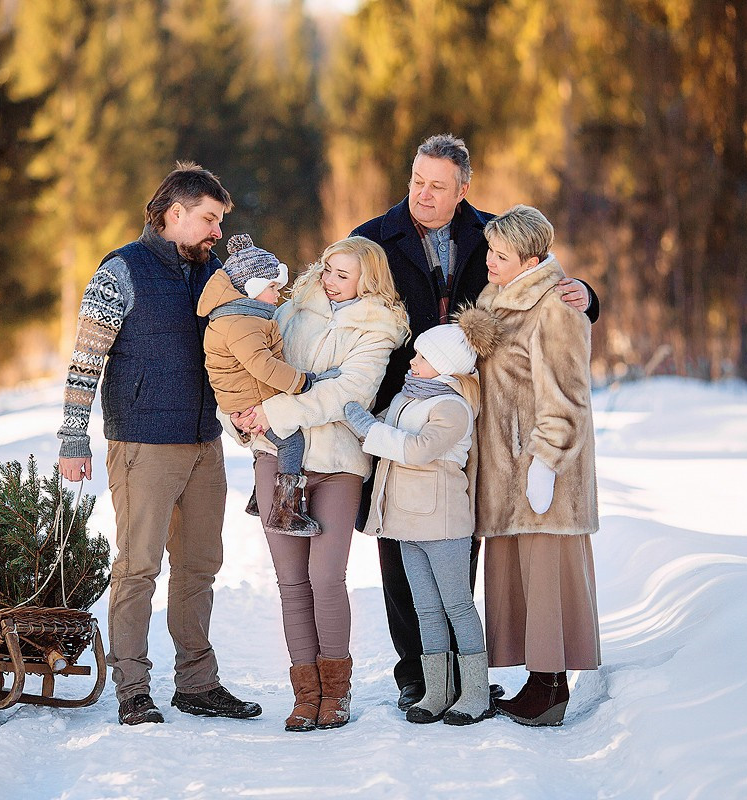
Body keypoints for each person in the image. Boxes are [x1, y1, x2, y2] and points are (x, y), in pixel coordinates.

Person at [351, 133, 601, 709]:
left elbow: (544, 293)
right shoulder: (373, 239)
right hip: (398, 404)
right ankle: (416, 671)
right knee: (399, 547)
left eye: (438, 186)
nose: (423, 194)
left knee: (456, 542)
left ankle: (466, 671)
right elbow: (334, 293)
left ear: (464, 190)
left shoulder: (493, 236)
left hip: (468, 422)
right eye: (416, 181)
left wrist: (585, 294)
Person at [56, 162, 262, 725]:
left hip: (204, 443)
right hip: (143, 443)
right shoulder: (120, 270)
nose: (216, 230)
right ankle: (133, 689)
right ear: (175, 213)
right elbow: (84, 363)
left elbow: (237, 350)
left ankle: (197, 684)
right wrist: (73, 438)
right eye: (209, 219)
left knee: (199, 568)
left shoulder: (210, 271)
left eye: (219, 221)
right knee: (138, 569)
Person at [231, 237, 409, 732]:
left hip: (337, 462)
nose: (329, 280)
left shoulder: (378, 329)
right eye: (328, 269)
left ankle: (336, 691)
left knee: (325, 579)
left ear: (367, 281)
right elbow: (251, 370)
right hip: (276, 459)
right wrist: (243, 419)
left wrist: (275, 411)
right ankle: (305, 693)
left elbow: (347, 393)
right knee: (291, 583)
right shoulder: (292, 311)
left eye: (343, 274)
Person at [342, 309, 502, 726]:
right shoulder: (407, 396)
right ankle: (438, 690)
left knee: (457, 606)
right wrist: (363, 421)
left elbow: (415, 450)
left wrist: (366, 428)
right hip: (404, 521)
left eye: (421, 357)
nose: (412, 362)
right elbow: (383, 430)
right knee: (425, 610)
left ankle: (476, 692)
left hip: (442, 522)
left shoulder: (453, 407)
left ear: (445, 365)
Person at [474, 204, 600, 726]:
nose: (488, 261)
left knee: (547, 575)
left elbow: (569, 395)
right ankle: (534, 679)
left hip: (540, 469)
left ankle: (550, 688)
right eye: (488, 251)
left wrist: (544, 461)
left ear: (531, 258)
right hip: (506, 468)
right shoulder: (495, 301)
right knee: (518, 578)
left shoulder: (556, 307)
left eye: (500, 255)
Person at [197, 233, 339, 537]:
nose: (278, 293)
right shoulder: (242, 323)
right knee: (290, 441)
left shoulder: (241, 317)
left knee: (267, 441)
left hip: (242, 396)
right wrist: (299, 382)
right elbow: (262, 365)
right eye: (273, 287)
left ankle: (259, 498)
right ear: (253, 288)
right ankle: (285, 510)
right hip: (248, 398)